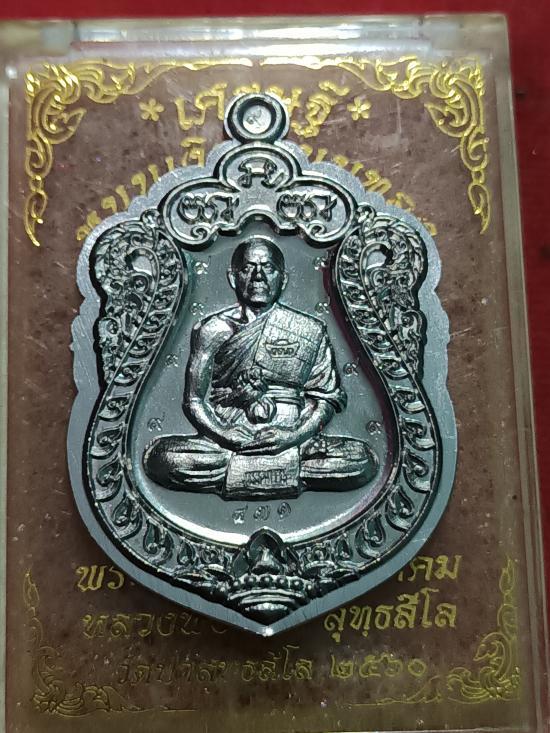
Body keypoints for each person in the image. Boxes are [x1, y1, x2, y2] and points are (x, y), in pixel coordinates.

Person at [144, 235, 377, 497]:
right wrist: (225, 435)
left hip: (294, 441)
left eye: (268, 268)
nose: (258, 277)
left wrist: (292, 436)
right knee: (163, 459)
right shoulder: (213, 330)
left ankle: (254, 470)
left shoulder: (310, 329)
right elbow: (194, 400)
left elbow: (326, 400)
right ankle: (281, 471)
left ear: (283, 279)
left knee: (361, 459)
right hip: (228, 442)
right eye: (248, 268)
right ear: (233, 278)